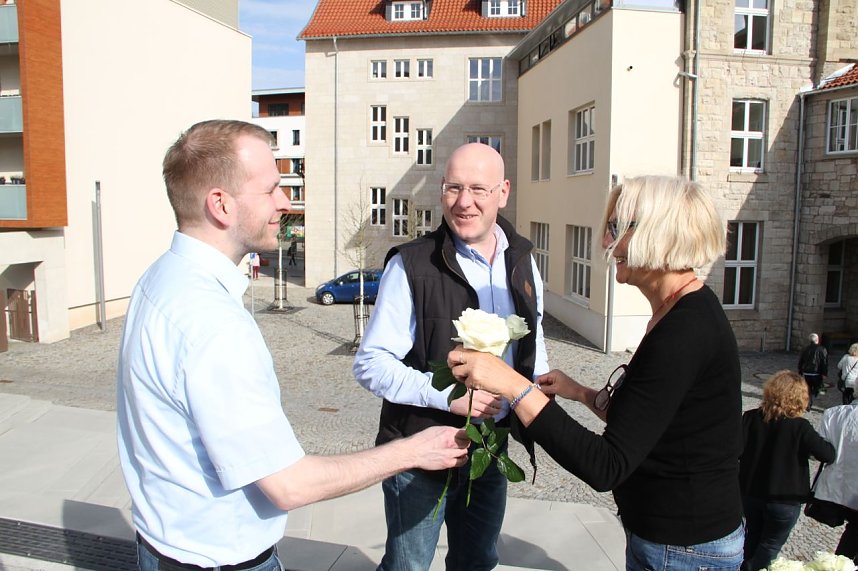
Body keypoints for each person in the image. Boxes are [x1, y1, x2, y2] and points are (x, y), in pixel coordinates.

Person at [116, 120, 468, 571]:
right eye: (270, 189)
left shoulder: (160, 277)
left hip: (160, 546)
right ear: (220, 204)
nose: (285, 202)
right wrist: (414, 450)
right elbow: (289, 485)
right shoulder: (215, 325)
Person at [448, 176, 746, 571]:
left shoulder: (685, 330)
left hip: (685, 548)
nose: (607, 242)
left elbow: (606, 465)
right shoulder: (677, 310)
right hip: (670, 539)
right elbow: (649, 420)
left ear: (658, 232)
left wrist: (511, 383)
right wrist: (581, 393)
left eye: (616, 227)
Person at [353, 142, 549, 571]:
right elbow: (370, 364)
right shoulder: (410, 264)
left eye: (478, 189)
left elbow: (534, 347)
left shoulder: (522, 260)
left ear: (503, 192)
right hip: (418, 452)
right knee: (407, 566)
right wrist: (449, 398)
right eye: (453, 188)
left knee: (477, 561)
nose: (464, 202)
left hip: (490, 449)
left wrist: (539, 401)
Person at [739, 370, 835, 571]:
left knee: (752, 537)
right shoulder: (800, 427)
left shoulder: (751, 418)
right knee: (770, 545)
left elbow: (736, 450)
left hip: (751, 492)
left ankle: (746, 567)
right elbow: (827, 454)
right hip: (784, 498)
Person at [814, 399, 858, 564]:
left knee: (852, 534)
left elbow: (821, 452)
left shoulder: (833, 414)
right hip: (847, 493)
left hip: (835, 490)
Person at [798, 332, 828, 407]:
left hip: (807, 372)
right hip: (816, 372)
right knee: (817, 388)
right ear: (817, 339)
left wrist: (800, 370)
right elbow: (824, 362)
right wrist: (824, 373)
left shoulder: (805, 349)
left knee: (809, 388)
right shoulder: (822, 349)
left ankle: (809, 402)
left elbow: (801, 361)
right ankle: (811, 399)